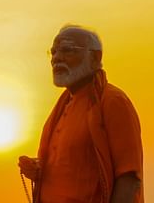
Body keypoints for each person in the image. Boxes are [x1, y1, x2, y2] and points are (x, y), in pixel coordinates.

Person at [18, 25, 144, 203]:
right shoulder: (63, 105)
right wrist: (39, 168)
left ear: (95, 57)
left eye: (67, 50)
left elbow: (129, 177)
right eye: (53, 52)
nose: (56, 59)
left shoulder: (113, 101)